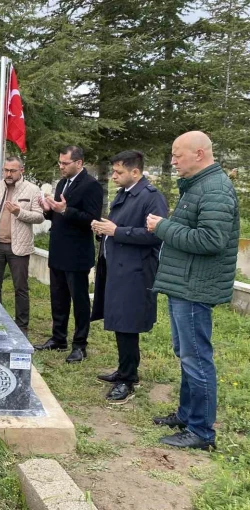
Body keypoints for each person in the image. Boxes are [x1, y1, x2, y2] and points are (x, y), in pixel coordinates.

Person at [147, 131, 239, 450]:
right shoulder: (199, 185)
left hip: (195, 286)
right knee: (186, 354)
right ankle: (187, 415)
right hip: (185, 282)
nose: (172, 161)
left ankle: (201, 432)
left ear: (199, 154)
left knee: (196, 357)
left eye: (177, 155)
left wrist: (162, 227)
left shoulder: (214, 188)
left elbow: (211, 240)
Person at [90, 150, 168, 404]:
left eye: (119, 172)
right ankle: (124, 370)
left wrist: (117, 231)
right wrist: (105, 229)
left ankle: (128, 379)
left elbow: (156, 235)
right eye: (113, 171)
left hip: (136, 271)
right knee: (120, 322)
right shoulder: (124, 194)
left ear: (135, 172)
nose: (114, 176)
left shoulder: (151, 198)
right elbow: (119, 228)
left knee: (128, 323)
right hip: (119, 268)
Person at [36, 146, 103, 362]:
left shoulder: (91, 185)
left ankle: (80, 344)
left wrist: (65, 210)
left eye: (65, 163)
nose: (61, 166)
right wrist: (47, 209)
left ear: (79, 163)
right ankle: (58, 338)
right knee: (58, 298)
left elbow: (92, 218)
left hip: (77, 253)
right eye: (60, 162)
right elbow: (56, 217)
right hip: (58, 250)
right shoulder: (63, 183)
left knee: (80, 300)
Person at [0, 156, 44, 337]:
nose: (8, 174)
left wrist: (19, 212)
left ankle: (21, 326)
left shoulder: (32, 189)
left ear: (21, 170)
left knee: (20, 288)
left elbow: (39, 216)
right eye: (5, 170)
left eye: (12, 170)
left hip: (19, 247)